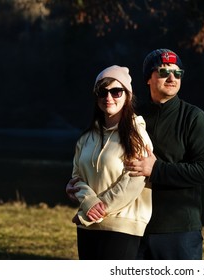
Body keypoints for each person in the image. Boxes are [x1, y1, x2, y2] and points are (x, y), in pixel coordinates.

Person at [124, 48, 204, 260]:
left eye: (178, 73)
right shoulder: (133, 116)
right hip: (134, 226)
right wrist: (82, 183)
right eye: (164, 72)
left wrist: (156, 169)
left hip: (179, 230)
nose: (172, 78)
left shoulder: (193, 117)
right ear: (149, 78)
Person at [67, 65, 153, 260]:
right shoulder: (86, 138)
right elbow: (76, 178)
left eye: (116, 91)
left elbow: (134, 181)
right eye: (102, 92)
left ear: (127, 96)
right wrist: (89, 203)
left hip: (122, 227)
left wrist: (97, 209)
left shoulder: (137, 135)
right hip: (88, 225)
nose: (109, 97)